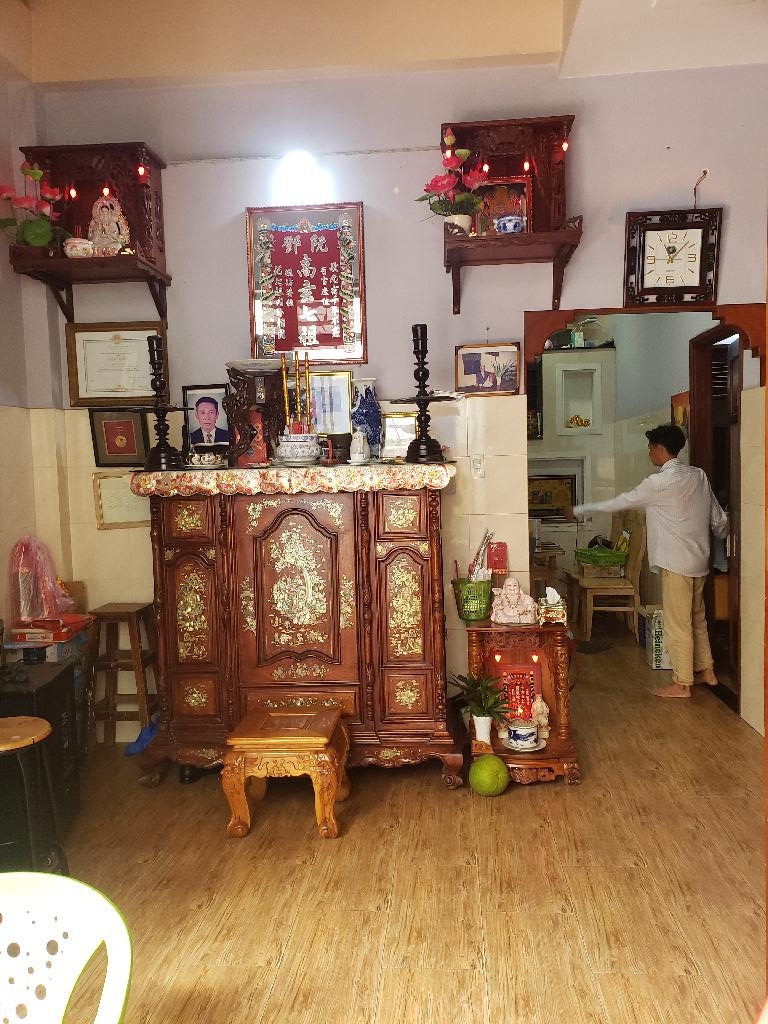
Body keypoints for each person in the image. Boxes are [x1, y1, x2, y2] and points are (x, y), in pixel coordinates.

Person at [570, 423, 728, 699]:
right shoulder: (698, 475)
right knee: (697, 616)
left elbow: (619, 502)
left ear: (659, 448)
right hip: (700, 560)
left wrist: (579, 509)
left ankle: (682, 683)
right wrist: (725, 535)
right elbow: (717, 518)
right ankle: (707, 671)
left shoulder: (657, 483)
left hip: (677, 564)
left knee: (678, 623)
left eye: (650, 448)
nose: (648, 453)